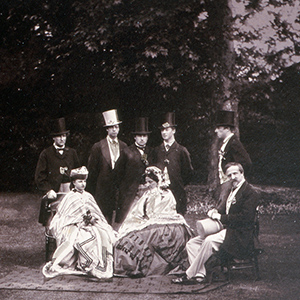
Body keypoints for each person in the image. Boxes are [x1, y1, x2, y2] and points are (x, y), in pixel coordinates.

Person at [172, 162, 258, 284]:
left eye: (235, 173)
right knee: (191, 243)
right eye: (229, 175)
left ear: (242, 173)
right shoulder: (231, 190)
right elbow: (226, 209)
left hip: (241, 234)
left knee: (209, 241)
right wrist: (215, 210)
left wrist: (221, 217)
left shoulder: (250, 193)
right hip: (228, 231)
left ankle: (189, 274)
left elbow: (245, 218)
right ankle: (200, 275)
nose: (232, 177)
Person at [114, 166, 193, 277]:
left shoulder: (164, 194)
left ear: (158, 181)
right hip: (149, 222)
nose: (148, 185)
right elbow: (137, 212)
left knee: (144, 238)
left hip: (163, 222)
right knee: (126, 238)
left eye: (151, 182)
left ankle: (142, 266)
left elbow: (163, 212)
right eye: (147, 182)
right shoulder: (148, 193)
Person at [42, 166, 116, 280]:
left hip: (89, 225)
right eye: (80, 181)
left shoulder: (88, 195)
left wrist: (93, 220)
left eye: (84, 181)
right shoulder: (70, 197)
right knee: (84, 238)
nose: (83, 184)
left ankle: (101, 266)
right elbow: (65, 216)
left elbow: (96, 212)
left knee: (102, 233)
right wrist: (82, 221)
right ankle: (87, 265)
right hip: (73, 226)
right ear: (73, 182)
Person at [35, 117, 80, 225]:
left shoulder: (72, 153)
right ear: (53, 138)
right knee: (52, 224)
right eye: (59, 136)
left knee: (72, 222)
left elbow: (78, 172)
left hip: (70, 192)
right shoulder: (46, 154)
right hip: (54, 193)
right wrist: (48, 190)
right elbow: (39, 177)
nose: (62, 139)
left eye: (64, 136)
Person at [87, 109, 127, 224]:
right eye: (112, 127)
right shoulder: (98, 147)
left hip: (118, 191)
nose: (114, 130)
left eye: (116, 127)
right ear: (107, 129)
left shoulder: (124, 146)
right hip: (103, 190)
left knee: (120, 222)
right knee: (104, 221)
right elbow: (92, 172)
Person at [153, 112, 194, 215]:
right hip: (160, 194)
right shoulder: (157, 150)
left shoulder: (181, 150)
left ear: (174, 130)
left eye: (167, 129)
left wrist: (177, 183)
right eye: (162, 130)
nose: (164, 132)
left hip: (177, 193)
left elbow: (188, 173)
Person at [116, 117, 153, 224]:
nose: (142, 138)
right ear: (135, 137)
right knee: (130, 220)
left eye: (144, 136)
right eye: (139, 136)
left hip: (148, 192)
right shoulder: (127, 152)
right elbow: (118, 173)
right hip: (131, 193)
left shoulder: (151, 151)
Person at [215, 110, 252, 185]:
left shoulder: (233, 143)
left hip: (232, 185)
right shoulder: (227, 142)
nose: (216, 130)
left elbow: (247, 163)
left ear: (227, 128)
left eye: (219, 128)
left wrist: (236, 179)